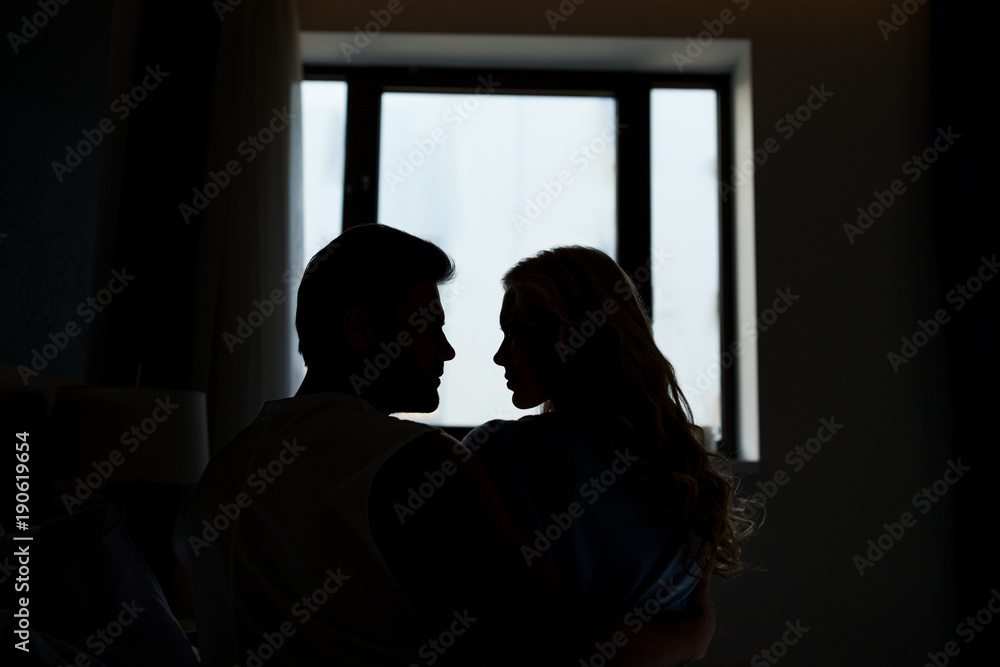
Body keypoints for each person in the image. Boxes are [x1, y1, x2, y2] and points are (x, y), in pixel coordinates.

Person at [181, 225, 716, 667]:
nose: (450, 349)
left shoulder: (223, 469)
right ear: (360, 330)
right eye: (428, 326)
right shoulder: (422, 463)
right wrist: (694, 633)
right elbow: (571, 642)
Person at [462, 246, 754, 641]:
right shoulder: (685, 472)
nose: (499, 356)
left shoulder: (497, 453)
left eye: (514, 331)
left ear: (567, 333)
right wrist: (691, 638)